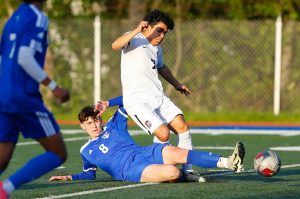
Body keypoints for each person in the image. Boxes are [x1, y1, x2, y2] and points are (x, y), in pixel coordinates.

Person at [49, 97, 245, 183]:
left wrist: (108, 104)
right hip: (130, 170)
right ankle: (183, 175)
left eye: (96, 120)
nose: (93, 125)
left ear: (100, 118)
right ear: (82, 126)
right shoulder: (86, 151)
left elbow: (129, 100)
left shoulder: (113, 124)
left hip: (143, 152)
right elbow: (89, 174)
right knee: (173, 172)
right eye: (88, 123)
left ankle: (229, 162)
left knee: (178, 153)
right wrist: (70, 177)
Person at [111, 9, 201, 180]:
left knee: (182, 126)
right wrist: (137, 29)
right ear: (147, 26)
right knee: (163, 133)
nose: (162, 35)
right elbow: (115, 45)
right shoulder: (133, 38)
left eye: (165, 33)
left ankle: (188, 172)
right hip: (137, 101)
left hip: (157, 97)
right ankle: (163, 171)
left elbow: (162, 67)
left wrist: (177, 85)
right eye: (159, 30)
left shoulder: (156, 48)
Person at [0, 0, 70, 198]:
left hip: (4, 94)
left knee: (4, 150)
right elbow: (24, 57)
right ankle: (5, 190)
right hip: (24, 97)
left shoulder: (13, 17)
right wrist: (54, 87)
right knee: (58, 153)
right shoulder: (38, 17)